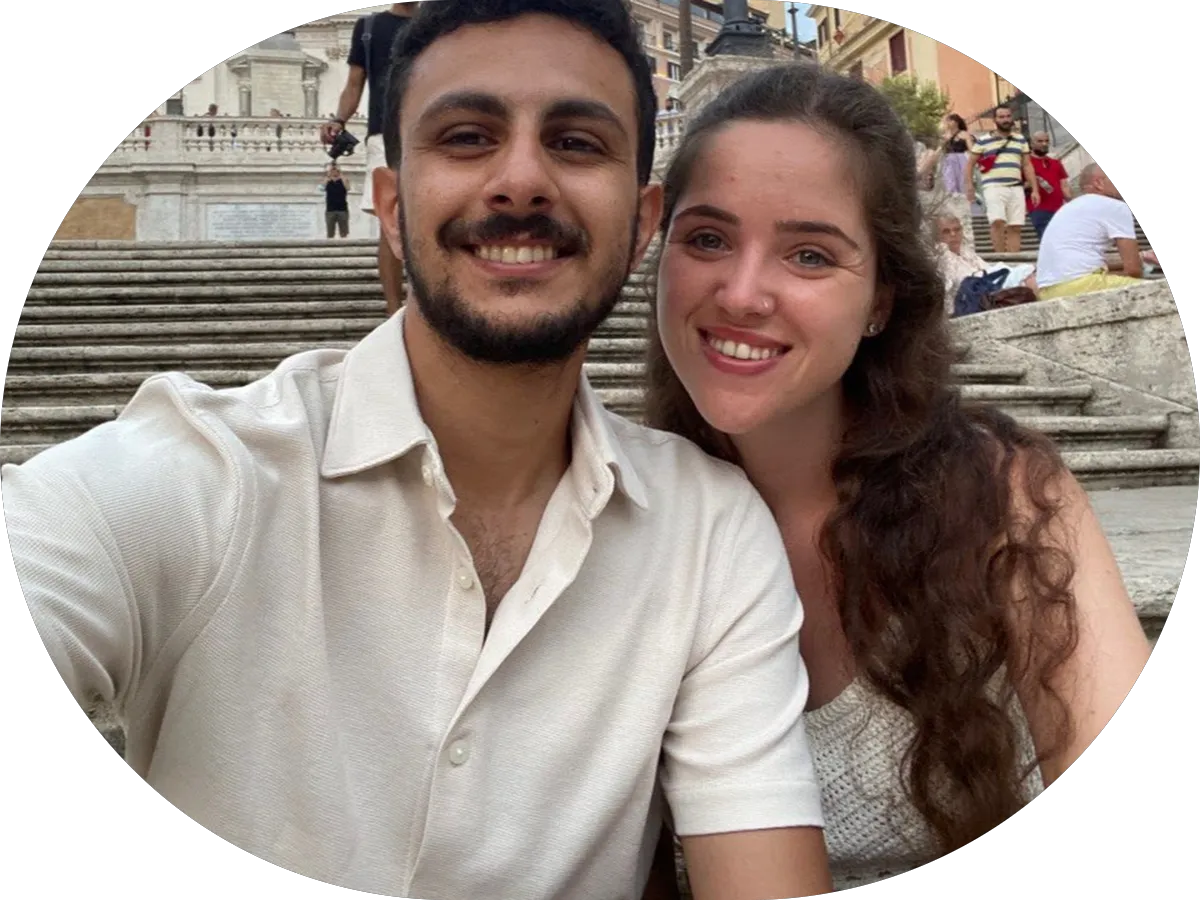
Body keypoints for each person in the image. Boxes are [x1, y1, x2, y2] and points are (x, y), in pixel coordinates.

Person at [3, 3, 833, 899]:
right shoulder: (202, 478)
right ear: (392, 211)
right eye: (468, 137)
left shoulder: (710, 530)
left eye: (576, 143)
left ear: (642, 224)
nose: (522, 181)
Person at [641, 63, 1150, 892]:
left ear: (882, 296)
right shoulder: (613, 509)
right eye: (706, 240)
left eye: (810, 254)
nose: (742, 292)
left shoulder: (1004, 499)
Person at [320, 2, 419, 316]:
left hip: (429, 133)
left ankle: (423, 308)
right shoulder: (369, 28)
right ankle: (393, 313)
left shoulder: (438, 23)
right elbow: (354, 83)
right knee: (391, 223)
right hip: (382, 135)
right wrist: (339, 119)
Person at [1035, 163, 1158, 300]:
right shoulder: (1115, 207)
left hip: (1048, 291)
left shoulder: (1071, 207)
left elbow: (1088, 265)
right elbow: (1133, 270)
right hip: (1080, 285)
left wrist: (1142, 256)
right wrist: (1138, 262)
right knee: (1159, 291)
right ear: (1099, 183)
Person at [966, 103, 1040, 253]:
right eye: (1001, 117)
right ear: (995, 120)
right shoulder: (983, 140)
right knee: (997, 222)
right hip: (993, 186)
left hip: (1016, 187)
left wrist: (1035, 190)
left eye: (1008, 116)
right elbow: (970, 164)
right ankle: (1000, 258)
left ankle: (1014, 260)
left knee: (1016, 226)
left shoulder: (1020, 139)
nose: (1005, 119)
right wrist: (969, 186)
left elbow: (1027, 165)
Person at [1026, 131, 1071, 240]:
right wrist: (1032, 183)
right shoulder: (1026, 164)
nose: (1044, 144)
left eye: (1046, 141)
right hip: (1038, 209)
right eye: (1040, 141)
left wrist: (1071, 202)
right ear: (1031, 143)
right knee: (1047, 238)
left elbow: (1064, 186)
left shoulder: (1056, 163)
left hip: (1059, 209)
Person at [939, 113, 972, 196]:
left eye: (950, 120)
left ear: (957, 122)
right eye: (947, 121)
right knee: (949, 179)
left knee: (962, 180)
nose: (948, 122)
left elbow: (971, 149)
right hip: (948, 159)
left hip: (961, 158)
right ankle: (952, 196)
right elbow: (940, 150)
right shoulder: (945, 136)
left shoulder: (964, 134)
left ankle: (963, 197)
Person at [323, 164, 350, 239]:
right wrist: (328, 176)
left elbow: (348, 188)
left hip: (342, 209)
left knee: (344, 232)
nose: (334, 172)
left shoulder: (343, 180)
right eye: (332, 170)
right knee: (330, 232)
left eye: (336, 170)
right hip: (330, 210)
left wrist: (341, 174)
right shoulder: (327, 180)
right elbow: (321, 188)